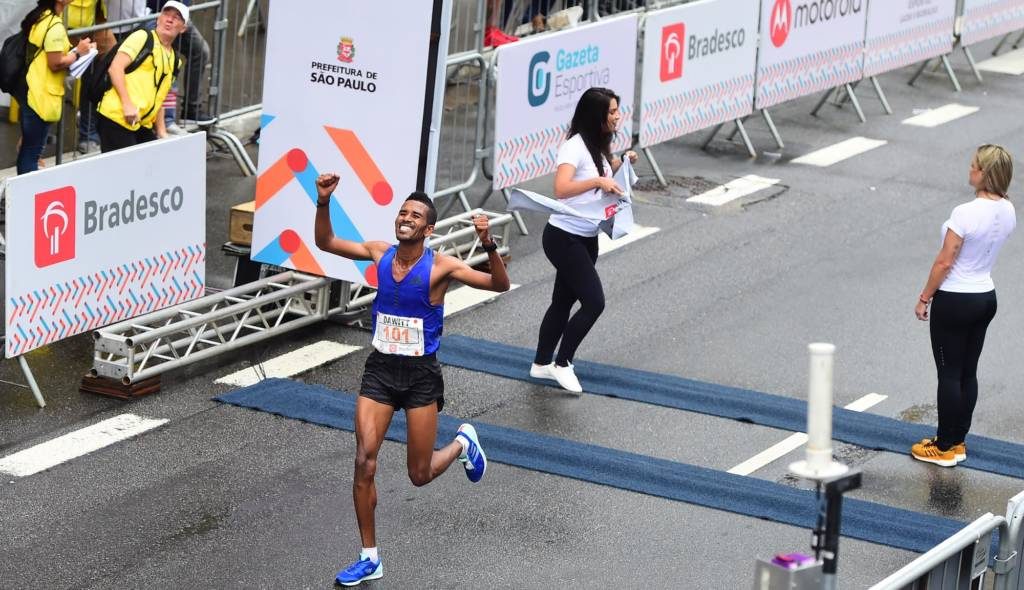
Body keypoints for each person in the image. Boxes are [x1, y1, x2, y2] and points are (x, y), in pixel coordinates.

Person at [312, 172, 510, 586]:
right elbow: (326, 243)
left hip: (421, 377)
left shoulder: (441, 267)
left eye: (415, 215)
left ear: (428, 228)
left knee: (418, 475)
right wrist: (324, 201)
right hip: (381, 371)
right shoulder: (379, 252)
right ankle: (370, 557)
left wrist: (487, 243)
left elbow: (498, 284)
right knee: (364, 460)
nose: (405, 217)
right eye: (402, 212)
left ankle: (462, 442)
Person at [911, 145, 1016, 467]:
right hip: (986, 295)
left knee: (949, 373)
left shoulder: (965, 212)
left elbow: (945, 261)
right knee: (968, 373)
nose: (969, 170)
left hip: (956, 299)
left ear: (985, 174)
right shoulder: (1008, 210)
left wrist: (925, 295)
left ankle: (943, 447)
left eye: (974, 166)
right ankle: (957, 441)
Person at [529, 87, 636, 393]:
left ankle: (540, 364)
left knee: (562, 301)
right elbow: (561, 188)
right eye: (612, 112)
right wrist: (599, 180)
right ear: (596, 116)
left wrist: (620, 164)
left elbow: (599, 177)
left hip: (587, 236)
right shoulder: (573, 147)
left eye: (617, 111)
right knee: (594, 302)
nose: (617, 116)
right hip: (564, 237)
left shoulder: (599, 144)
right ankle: (563, 363)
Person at [15, 0, 94, 174]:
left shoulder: (41, 16)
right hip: (40, 96)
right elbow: (55, 62)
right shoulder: (54, 26)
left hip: (32, 90)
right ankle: (27, 194)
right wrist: (78, 52)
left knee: (28, 148)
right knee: (32, 152)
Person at [95, 0, 185, 152]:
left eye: (176, 17)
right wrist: (127, 104)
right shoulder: (142, 37)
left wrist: (161, 131)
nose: (169, 19)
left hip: (140, 123)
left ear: (183, 28)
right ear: (158, 18)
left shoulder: (175, 60)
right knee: (123, 172)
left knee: (149, 165)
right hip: (117, 117)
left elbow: (160, 97)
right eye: (166, 14)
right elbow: (115, 68)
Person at [146, 0, 214, 126]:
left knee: (199, 51)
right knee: (163, 62)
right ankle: (164, 122)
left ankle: (190, 111)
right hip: (152, 14)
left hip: (180, 14)